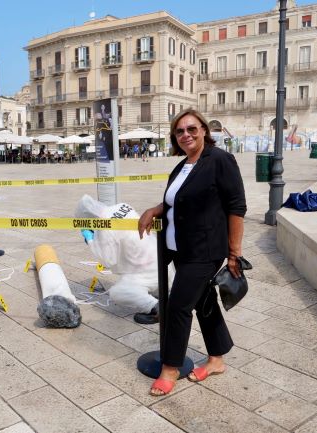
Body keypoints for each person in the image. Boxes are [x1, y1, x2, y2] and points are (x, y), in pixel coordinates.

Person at [138, 108, 246, 396]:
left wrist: (234, 253)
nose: (186, 135)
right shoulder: (183, 164)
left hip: (205, 250)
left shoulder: (220, 160)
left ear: (204, 131)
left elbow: (237, 207)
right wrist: (155, 209)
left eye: (192, 129)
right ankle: (217, 359)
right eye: (180, 131)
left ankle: (170, 368)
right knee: (203, 301)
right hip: (181, 248)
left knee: (178, 305)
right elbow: (178, 200)